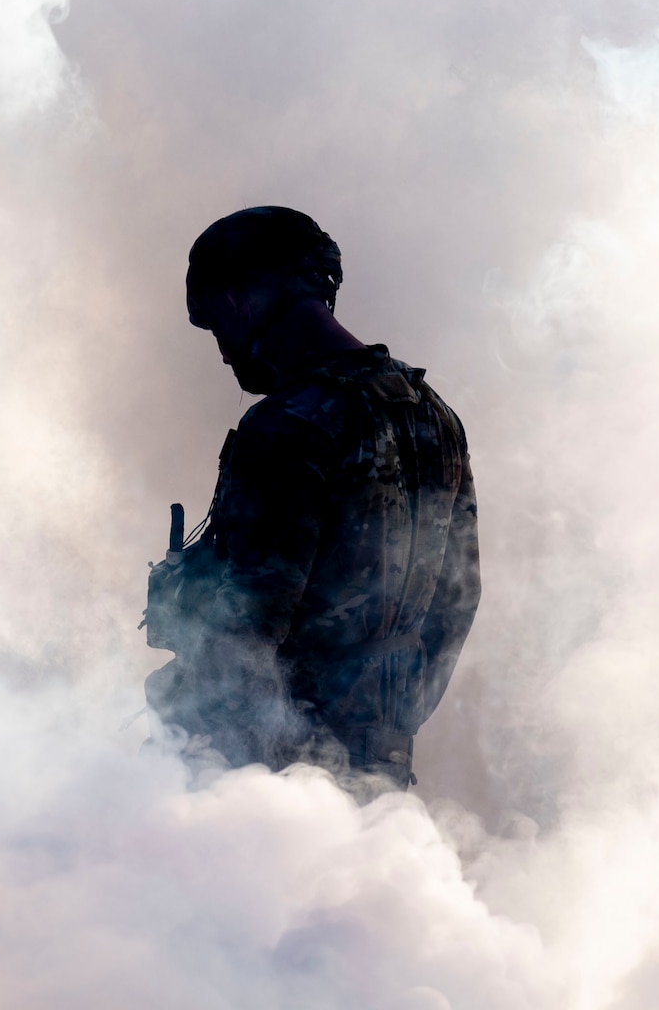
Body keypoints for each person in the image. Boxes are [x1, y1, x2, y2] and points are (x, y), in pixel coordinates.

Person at [142, 206, 480, 789]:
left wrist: (203, 751)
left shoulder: (287, 426)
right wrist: (382, 727)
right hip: (378, 772)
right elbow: (456, 603)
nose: (222, 350)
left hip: (272, 779)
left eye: (216, 322)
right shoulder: (434, 416)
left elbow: (247, 626)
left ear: (245, 298)